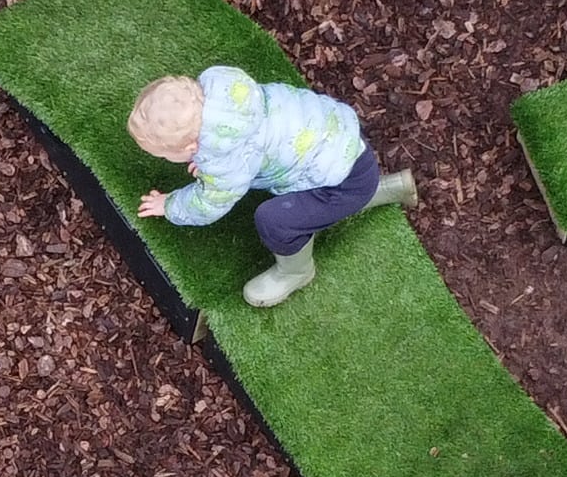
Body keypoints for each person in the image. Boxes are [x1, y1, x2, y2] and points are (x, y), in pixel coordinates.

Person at [126, 67, 419, 308]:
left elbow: (208, 203)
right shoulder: (231, 98)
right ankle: (391, 188)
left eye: (165, 155)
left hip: (342, 185)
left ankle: (296, 271)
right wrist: (208, 158)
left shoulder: (228, 162)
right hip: (351, 151)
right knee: (348, 190)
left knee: (274, 219)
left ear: (191, 146)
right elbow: (252, 149)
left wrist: (170, 205)